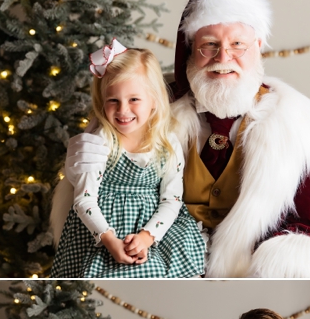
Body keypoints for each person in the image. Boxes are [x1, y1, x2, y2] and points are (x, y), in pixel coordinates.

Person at [63, 0, 310, 276]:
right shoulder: (150, 107)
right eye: (210, 45)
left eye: (237, 45)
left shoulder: (294, 126)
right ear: (191, 50)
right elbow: (105, 178)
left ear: (258, 47)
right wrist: (82, 162)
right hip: (160, 260)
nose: (223, 58)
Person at [51, 43, 205, 277]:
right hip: (102, 232)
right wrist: (109, 240)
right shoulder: (98, 143)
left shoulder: (167, 144)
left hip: (152, 232)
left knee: (154, 272)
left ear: (154, 100)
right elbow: (84, 200)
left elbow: (172, 199)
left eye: (134, 99)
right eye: (113, 100)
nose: (123, 110)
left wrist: (146, 237)